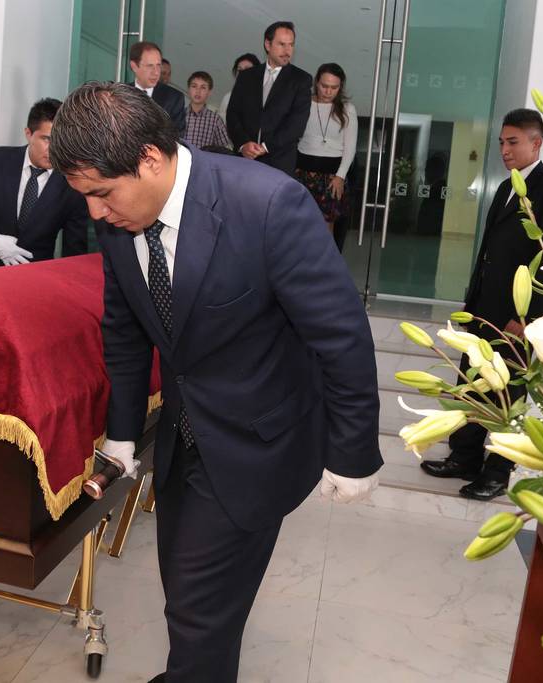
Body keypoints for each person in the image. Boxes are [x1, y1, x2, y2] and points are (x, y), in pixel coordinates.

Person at [50, 82, 381, 683]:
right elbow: (125, 333)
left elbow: (341, 335)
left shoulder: (268, 204)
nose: (95, 213)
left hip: (259, 440)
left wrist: (353, 452)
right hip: (183, 439)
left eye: (101, 193)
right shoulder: (119, 222)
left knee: (199, 611)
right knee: (186, 592)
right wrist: (122, 435)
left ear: (150, 158)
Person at [420, 108, 543, 501]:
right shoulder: (505, 188)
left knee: (507, 397)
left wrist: (529, 318)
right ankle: (464, 457)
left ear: (536, 143)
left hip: (517, 317)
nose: (504, 149)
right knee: (472, 386)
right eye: (502, 142)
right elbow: (488, 252)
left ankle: (498, 472)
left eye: (512, 142)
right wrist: (472, 304)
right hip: (485, 310)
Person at [0, 98, 89, 269]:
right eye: (47, 139)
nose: (55, 150)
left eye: (62, 141)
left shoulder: (72, 182)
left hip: (37, 276)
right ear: (28, 134)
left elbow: (74, 251)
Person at [226, 21, 311, 176]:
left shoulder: (301, 80)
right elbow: (232, 114)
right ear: (267, 44)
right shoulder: (246, 76)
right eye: (282, 44)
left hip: (279, 163)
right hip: (244, 160)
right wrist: (243, 144)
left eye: (291, 45)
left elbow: (296, 124)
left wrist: (265, 147)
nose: (287, 51)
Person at [295, 63, 357, 234]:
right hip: (302, 173)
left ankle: (324, 253)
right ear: (317, 82)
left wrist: (340, 176)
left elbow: (350, 147)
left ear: (340, 87)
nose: (328, 91)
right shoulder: (304, 103)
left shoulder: (347, 109)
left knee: (326, 226)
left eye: (334, 87)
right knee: (299, 223)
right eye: (324, 86)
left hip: (332, 178)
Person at [130, 41, 186, 135]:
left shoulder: (174, 98)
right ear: (134, 66)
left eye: (158, 65)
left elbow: (178, 136)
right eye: (150, 66)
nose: (156, 72)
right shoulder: (119, 95)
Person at [183, 71, 231, 151]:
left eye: (203, 87)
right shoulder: (179, 115)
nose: (198, 91)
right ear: (188, 89)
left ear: (209, 92)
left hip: (204, 159)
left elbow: (224, 149)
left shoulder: (215, 120)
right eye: (194, 86)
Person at [219, 53, 260, 126]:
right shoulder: (228, 98)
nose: (243, 73)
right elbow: (221, 125)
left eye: (247, 69)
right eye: (239, 70)